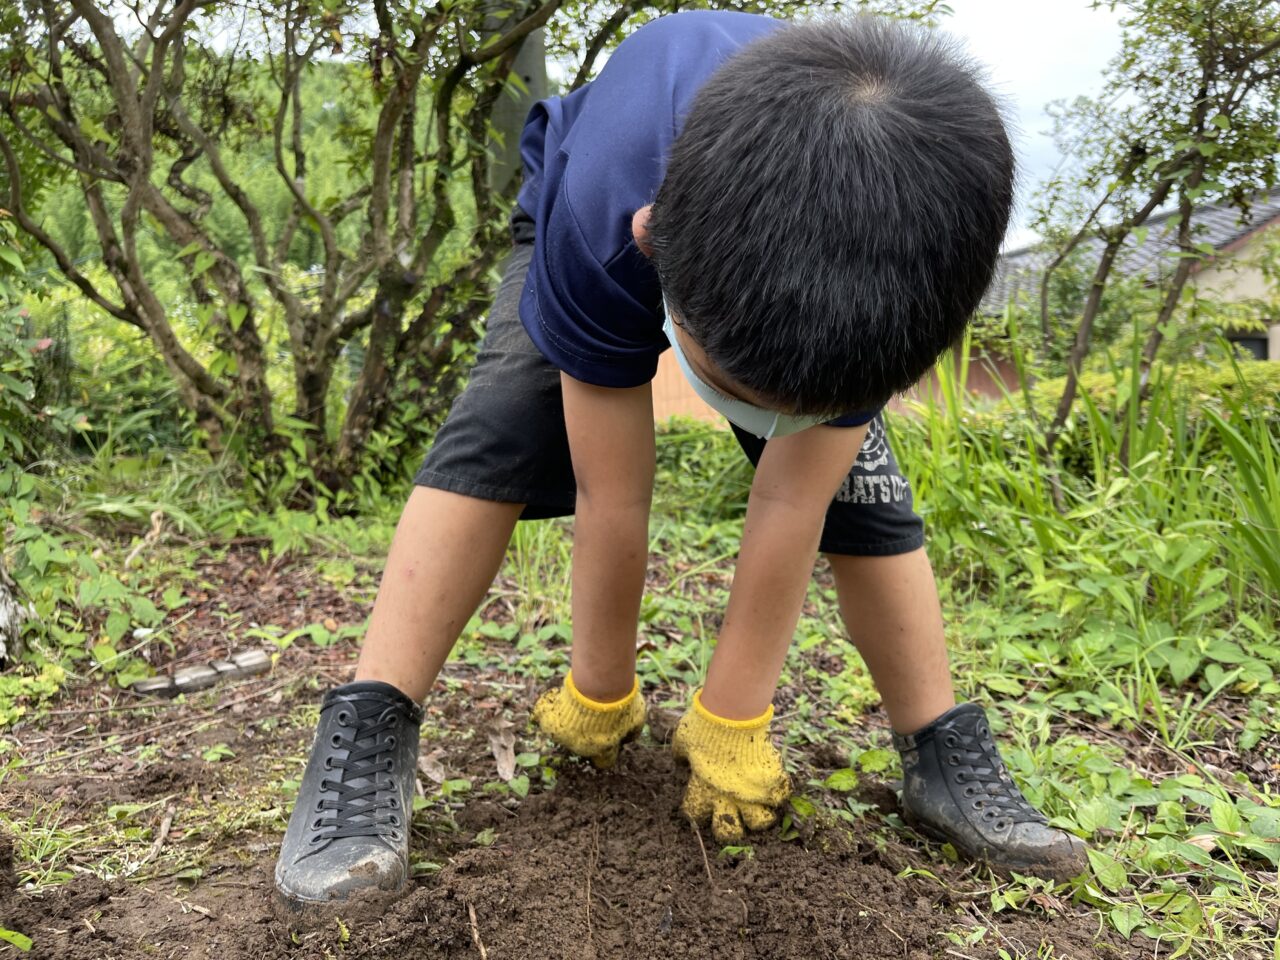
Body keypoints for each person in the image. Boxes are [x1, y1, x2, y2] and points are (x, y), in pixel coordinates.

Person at [273, 10, 1087, 908]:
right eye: (742, 389)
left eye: (795, 410)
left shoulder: (899, 257)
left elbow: (791, 505)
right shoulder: (605, 225)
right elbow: (610, 495)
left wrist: (733, 719)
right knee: (496, 427)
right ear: (656, 238)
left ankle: (938, 748)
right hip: (584, 213)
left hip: (810, 259)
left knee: (862, 495)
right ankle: (372, 719)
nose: (766, 425)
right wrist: (601, 688)